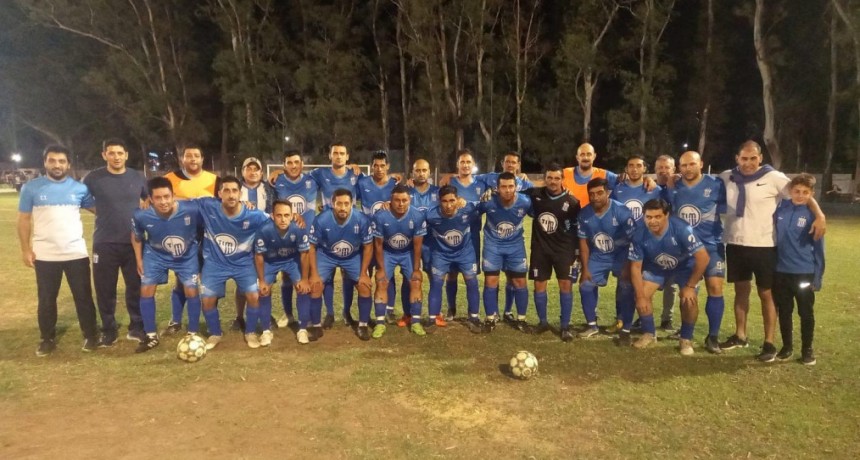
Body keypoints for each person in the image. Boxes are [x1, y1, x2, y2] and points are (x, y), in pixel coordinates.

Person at [718, 140, 826, 361]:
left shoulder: (774, 177)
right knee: (741, 291)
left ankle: (769, 343)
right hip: (736, 243)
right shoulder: (727, 176)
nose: (748, 163)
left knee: (766, 293)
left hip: (765, 245)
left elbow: (802, 194)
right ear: (737, 158)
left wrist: (820, 215)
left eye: (753, 158)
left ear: (760, 158)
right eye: (744, 158)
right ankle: (740, 335)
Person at [17, 144, 99, 356]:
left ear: (68, 164)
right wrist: (26, 249)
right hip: (45, 255)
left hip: (76, 253)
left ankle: (91, 335)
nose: (57, 165)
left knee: (83, 296)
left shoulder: (80, 188)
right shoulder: (31, 188)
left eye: (61, 161)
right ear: (45, 162)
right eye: (52, 160)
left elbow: (99, 210)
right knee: (46, 299)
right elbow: (24, 220)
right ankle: (47, 338)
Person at [83, 138, 147, 346]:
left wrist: (141, 217)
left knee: (135, 286)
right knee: (105, 288)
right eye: (111, 153)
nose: (116, 157)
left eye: (120, 153)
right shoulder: (94, 178)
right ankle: (108, 329)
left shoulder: (138, 177)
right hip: (104, 242)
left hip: (133, 241)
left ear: (126, 155)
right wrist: (101, 212)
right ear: (104, 155)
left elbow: (148, 198)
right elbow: (83, 199)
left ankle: (136, 326)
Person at [197, 176, 270, 350]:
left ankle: (250, 332)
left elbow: (276, 221)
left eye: (235, 191)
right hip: (215, 264)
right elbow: (180, 203)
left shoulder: (254, 215)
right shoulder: (207, 207)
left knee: (253, 295)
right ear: (219, 193)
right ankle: (215, 333)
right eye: (226, 191)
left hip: (243, 264)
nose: (231, 195)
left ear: (240, 193)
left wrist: (296, 218)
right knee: (207, 300)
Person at [628, 199, 709, 354]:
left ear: (667, 215)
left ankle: (686, 338)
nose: (652, 221)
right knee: (642, 294)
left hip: (684, 267)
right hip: (656, 267)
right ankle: (649, 333)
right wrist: (639, 296)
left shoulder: (681, 228)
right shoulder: (639, 233)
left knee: (689, 300)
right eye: (649, 217)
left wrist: (690, 286)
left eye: (657, 216)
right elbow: (635, 267)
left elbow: (703, 257)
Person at [131, 177, 202, 353]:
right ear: (150, 199)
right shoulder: (141, 214)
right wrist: (139, 260)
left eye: (167, 196)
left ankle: (193, 332)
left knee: (191, 289)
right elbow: (137, 236)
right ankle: (151, 336)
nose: (163, 202)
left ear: (173, 196)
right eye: (158, 198)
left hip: (186, 255)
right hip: (155, 255)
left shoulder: (192, 209)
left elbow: (203, 228)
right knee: (146, 289)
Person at [666, 151, 727, 353]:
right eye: (683, 165)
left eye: (692, 164)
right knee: (687, 293)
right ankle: (687, 337)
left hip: (711, 245)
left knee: (715, 288)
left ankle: (713, 337)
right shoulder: (674, 187)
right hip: (685, 249)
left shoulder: (716, 185)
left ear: (701, 164)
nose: (688, 169)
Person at [521, 162, 581, 341]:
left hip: (564, 250)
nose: (553, 181)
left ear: (563, 179)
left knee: (565, 286)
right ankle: (543, 322)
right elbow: (512, 192)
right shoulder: (535, 194)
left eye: (557, 178)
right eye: (549, 178)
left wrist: (577, 255)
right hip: (540, 249)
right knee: (539, 285)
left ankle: (565, 326)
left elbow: (578, 230)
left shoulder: (572, 202)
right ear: (544, 179)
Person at [162, 144, 219, 335]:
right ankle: (176, 321)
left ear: (202, 159)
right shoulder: (170, 179)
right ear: (183, 159)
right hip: (183, 237)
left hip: (209, 238)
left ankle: (210, 321)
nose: (193, 159)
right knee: (183, 281)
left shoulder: (214, 180)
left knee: (208, 280)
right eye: (189, 156)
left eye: (196, 156)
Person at [307, 188, 375, 341]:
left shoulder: (362, 220)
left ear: (352, 204)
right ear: (333, 204)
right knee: (315, 285)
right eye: (339, 204)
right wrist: (314, 274)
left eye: (346, 204)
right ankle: (316, 326)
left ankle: (363, 325)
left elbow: (368, 246)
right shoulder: (321, 220)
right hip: (327, 255)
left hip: (352, 256)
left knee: (364, 285)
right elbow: (311, 246)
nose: (343, 207)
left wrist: (364, 273)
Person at [773, 174, 825, 365]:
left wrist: (817, 278)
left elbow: (819, 249)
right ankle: (787, 347)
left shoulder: (814, 216)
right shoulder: (781, 208)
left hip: (804, 272)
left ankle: (807, 350)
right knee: (785, 311)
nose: (800, 195)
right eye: (797, 191)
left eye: (805, 192)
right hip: (781, 271)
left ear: (811, 194)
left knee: (805, 312)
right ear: (790, 191)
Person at [608, 155, 663, 334]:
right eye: (630, 166)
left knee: (644, 283)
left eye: (638, 166)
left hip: (647, 244)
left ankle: (641, 320)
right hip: (623, 244)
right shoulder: (618, 190)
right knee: (623, 282)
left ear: (644, 169)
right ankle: (621, 320)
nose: (634, 169)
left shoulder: (654, 190)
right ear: (626, 169)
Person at [576, 178, 637, 341]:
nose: (595, 197)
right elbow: (583, 243)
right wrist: (585, 268)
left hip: (622, 255)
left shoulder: (622, 211)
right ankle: (591, 325)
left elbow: (634, 240)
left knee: (626, 286)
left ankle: (624, 326)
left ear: (607, 193)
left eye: (600, 193)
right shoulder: (584, 214)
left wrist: (628, 264)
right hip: (599, 254)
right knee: (586, 285)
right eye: (592, 194)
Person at [309, 142, 362, 329]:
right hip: (327, 227)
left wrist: (396, 177)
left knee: (349, 275)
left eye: (342, 153)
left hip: (350, 228)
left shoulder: (356, 175)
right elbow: (297, 177)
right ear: (329, 156)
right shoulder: (320, 174)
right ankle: (329, 313)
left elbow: (375, 185)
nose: (339, 156)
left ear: (348, 157)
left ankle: (347, 312)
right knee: (327, 275)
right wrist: (277, 173)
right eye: (335, 153)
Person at [478, 172, 532, 333]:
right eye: (504, 187)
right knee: (491, 281)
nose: (507, 190)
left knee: (520, 282)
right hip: (493, 245)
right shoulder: (488, 202)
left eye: (510, 186)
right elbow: (471, 212)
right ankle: (490, 318)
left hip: (515, 246)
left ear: (516, 187)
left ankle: (521, 319)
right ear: (497, 188)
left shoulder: (525, 202)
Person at [270, 149, 319, 328]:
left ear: (302, 164)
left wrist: (351, 166)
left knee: (308, 278)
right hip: (286, 238)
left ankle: (310, 317)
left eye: (296, 162)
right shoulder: (277, 182)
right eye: (289, 163)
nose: (293, 166)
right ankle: (289, 314)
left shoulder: (313, 179)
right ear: (284, 165)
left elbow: (336, 172)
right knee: (287, 277)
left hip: (309, 238)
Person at [371, 185, 427, 337]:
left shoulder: (417, 216)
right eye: (397, 200)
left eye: (404, 200)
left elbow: (417, 245)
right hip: (388, 252)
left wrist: (416, 269)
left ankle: (415, 322)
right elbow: (378, 245)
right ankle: (380, 323)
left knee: (416, 281)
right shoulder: (381, 216)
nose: (401, 204)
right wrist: (381, 268)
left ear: (410, 200)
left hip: (407, 252)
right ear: (390, 200)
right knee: (381, 281)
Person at [254, 200, 313, 344]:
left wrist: (305, 279)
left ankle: (303, 329)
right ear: (272, 216)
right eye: (279, 215)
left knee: (303, 289)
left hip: (292, 261)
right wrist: (261, 280)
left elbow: (305, 254)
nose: (283, 219)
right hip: (270, 261)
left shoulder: (299, 228)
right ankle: (266, 331)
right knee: (263, 290)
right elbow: (259, 256)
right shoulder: (264, 230)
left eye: (287, 215)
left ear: (292, 215)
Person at [424, 186, 482, 332]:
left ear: (457, 200)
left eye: (452, 200)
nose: (448, 205)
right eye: (444, 201)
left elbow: (484, 206)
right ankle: (432, 319)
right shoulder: (431, 215)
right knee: (436, 282)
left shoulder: (467, 208)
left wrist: (491, 193)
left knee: (472, 281)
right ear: (439, 201)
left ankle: (474, 318)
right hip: (441, 254)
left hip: (465, 252)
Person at [232, 156, 276, 332]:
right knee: (242, 281)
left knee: (266, 279)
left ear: (261, 172)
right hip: (241, 241)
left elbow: (275, 211)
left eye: (256, 169)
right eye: (248, 169)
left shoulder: (269, 189)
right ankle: (239, 317)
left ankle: (266, 313)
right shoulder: (235, 189)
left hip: (265, 239)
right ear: (242, 171)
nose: (252, 172)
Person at [442, 149, 486, 320]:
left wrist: (523, 176)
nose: (466, 165)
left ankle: (472, 312)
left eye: (469, 162)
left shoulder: (482, 185)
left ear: (474, 165)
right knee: (451, 274)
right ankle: (451, 309)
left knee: (471, 275)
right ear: (457, 165)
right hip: (451, 236)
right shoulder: (450, 183)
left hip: (473, 236)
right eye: (462, 162)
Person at [357, 151, 400, 324]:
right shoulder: (363, 183)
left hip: (387, 238)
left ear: (388, 166)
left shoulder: (395, 184)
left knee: (386, 274)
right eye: (376, 165)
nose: (379, 169)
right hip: (366, 237)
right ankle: (364, 313)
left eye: (383, 165)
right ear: (371, 166)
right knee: (364, 274)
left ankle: (389, 310)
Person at [399, 158, 439, 327]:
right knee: (409, 277)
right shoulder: (406, 192)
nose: (421, 174)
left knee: (433, 276)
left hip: (432, 242)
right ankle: (408, 313)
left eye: (424, 170)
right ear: (412, 173)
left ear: (429, 172)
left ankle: (435, 314)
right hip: (411, 242)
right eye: (418, 170)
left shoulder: (438, 192)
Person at [652, 154, 678, 331]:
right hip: (652, 241)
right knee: (648, 280)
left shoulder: (679, 187)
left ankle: (666, 319)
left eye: (666, 167)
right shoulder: (649, 188)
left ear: (673, 169)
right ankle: (643, 316)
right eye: (659, 167)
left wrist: (672, 187)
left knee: (672, 283)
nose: (663, 171)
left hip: (674, 242)